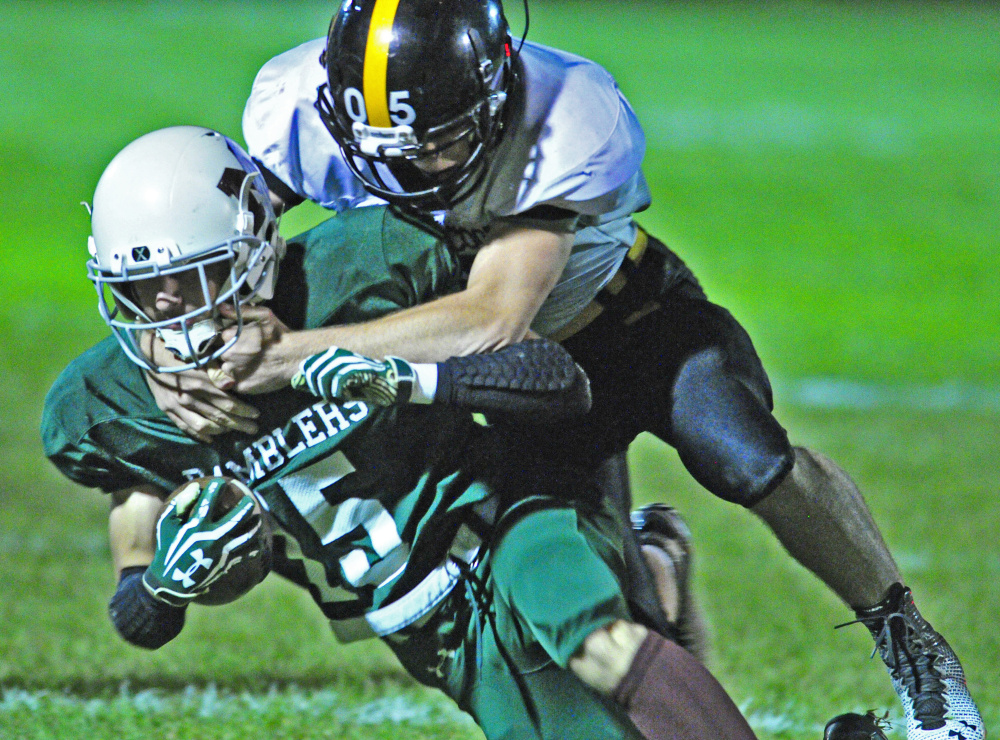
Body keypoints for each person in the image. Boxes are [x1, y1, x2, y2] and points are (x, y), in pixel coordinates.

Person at [133, 4, 984, 739]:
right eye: (380, 148)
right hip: (496, 391)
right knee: (584, 621)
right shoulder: (295, 114)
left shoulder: (571, 113)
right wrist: (174, 353)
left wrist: (287, 355)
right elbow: (214, 251)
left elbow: (492, 315)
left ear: (498, 91)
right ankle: (654, 567)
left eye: (439, 144)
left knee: (747, 456)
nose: (409, 171)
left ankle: (908, 640)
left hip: (627, 329)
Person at [42, 126, 757, 740]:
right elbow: (139, 608)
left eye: (193, 279)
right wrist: (165, 584)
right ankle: (655, 572)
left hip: (508, 517)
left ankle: (634, 579)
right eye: (140, 290)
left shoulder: (366, 262)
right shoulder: (110, 402)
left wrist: (394, 371)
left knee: (593, 636)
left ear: (252, 248)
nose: (166, 311)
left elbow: (553, 375)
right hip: (423, 622)